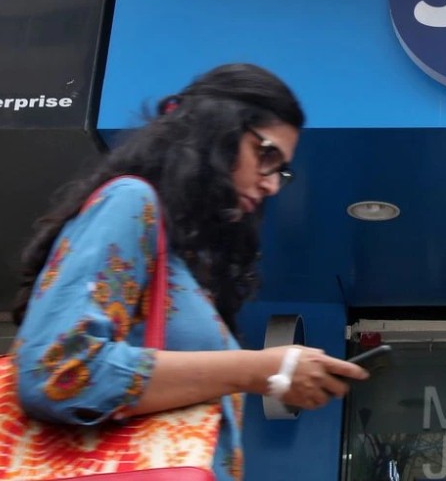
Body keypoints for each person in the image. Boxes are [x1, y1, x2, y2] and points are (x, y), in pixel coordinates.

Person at [10, 63, 367, 480]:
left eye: (281, 170)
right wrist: (259, 369)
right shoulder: (132, 201)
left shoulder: (186, 263)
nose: (272, 184)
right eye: (266, 153)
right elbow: (57, 371)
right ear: (215, 129)